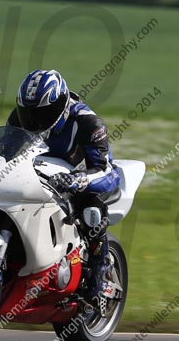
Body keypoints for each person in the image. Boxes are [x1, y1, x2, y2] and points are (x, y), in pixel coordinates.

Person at [7, 69, 121, 314]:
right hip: (39, 176)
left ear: (60, 105)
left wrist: (79, 179)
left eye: (43, 113)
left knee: (92, 212)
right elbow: (6, 149)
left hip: (82, 178)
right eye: (29, 113)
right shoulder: (18, 118)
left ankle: (99, 277)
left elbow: (107, 171)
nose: (34, 121)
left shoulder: (87, 122)